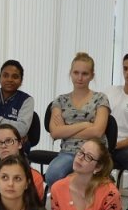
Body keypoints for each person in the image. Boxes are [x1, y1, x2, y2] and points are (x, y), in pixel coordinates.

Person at [45, 52, 110, 187]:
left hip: (93, 153)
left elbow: (98, 132)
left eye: (85, 74)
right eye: (76, 73)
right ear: (70, 73)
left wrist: (66, 130)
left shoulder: (101, 98)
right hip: (68, 152)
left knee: (83, 180)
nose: (79, 78)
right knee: (53, 175)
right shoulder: (60, 100)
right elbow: (55, 133)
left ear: (92, 75)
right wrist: (86, 124)